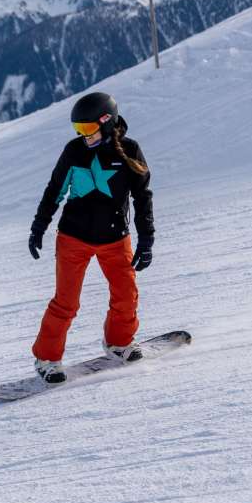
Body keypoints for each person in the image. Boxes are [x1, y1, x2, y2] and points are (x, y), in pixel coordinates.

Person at [28, 92, 154, 384]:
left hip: (114, 237)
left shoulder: (130, 151)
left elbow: (142, 197)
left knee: (125, 294)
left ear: (106, 123)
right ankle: (47, 359)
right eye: (78, 130)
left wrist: (146, 239)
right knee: (66, 302)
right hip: (74, 237)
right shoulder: (74, 151)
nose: (83, 136)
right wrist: (39, 225)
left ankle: (119, 343)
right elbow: (55, 190)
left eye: (87, 129)